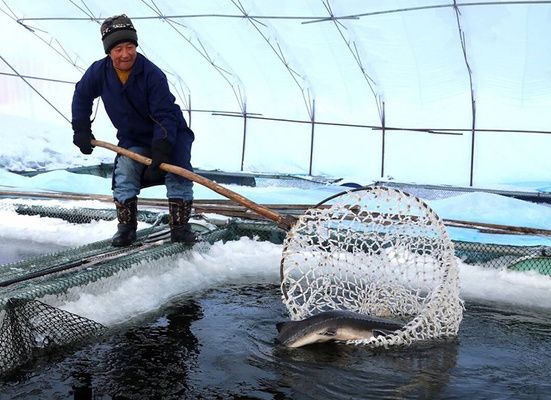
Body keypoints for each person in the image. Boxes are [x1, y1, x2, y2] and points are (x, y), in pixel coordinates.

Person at [71, 14, 196, 247]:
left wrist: (162, 147)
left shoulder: (152, 74)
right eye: (118, 48)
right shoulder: (99, 72)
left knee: (177, 171)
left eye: (130, 47)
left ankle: (180, 229)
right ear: (109, 51)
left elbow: (165, 115)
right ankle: (126, 229)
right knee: (125, 170)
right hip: (134, 137)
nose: (125, 54)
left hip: (171, 134)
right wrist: (81, 129)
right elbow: (82, 95)